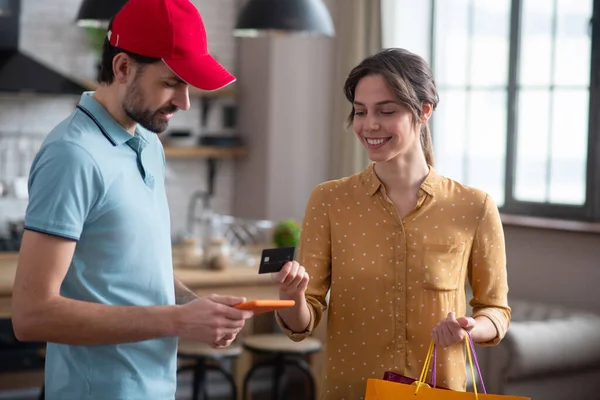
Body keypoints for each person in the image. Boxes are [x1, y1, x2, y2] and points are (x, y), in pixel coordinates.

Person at [11, 0, 253, 399]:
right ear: (123, 67)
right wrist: (177, 320)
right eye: (172, 82)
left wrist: (196, 308)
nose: (185, 102)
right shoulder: (73, 155)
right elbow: (31, 315)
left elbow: (135, 272)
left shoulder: (147, 141)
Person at [273, 48, 511, 399]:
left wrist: (470, 329)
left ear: (424, 111)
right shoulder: (329, 201)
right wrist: (292, 297)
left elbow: (496, 309)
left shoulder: (474, 207)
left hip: (437, 389)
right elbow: (302, 324)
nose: (369, 124)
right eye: (360, 111)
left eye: (386, 111)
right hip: (350, 390)